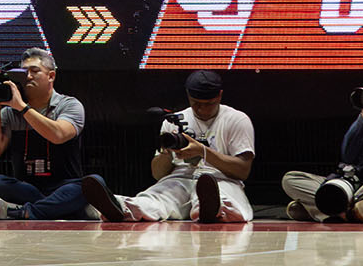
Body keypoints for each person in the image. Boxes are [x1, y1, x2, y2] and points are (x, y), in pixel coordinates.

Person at [100, 69, 254, 224]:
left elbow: (243, 170)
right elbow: (158, 174)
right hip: (180, 177)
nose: (202, 109)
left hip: (220, 179)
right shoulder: (173, 122)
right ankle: (122, 207)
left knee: (222, 198)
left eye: (208, 104)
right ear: (188, 96)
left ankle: (211, 209)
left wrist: (202, 151)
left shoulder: (237, 120)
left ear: (219, 95)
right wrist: (166, 153)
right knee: (154, 199)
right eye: (196, 104)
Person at [282, 54, 363, 223]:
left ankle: (329, 209)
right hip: (361, 185)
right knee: (292, 179)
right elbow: (348, 156)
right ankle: (354, 212)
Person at [0, 52, 100, 220]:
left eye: (34, 71)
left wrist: (22, 107)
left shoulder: (69, 105)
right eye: (23, 72)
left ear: (51, 76)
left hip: (63, 186)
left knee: (92, 183)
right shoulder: (9, 111)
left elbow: (58, 135)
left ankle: (27, 211)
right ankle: (64, 208)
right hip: (27, 187)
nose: (28, 76)